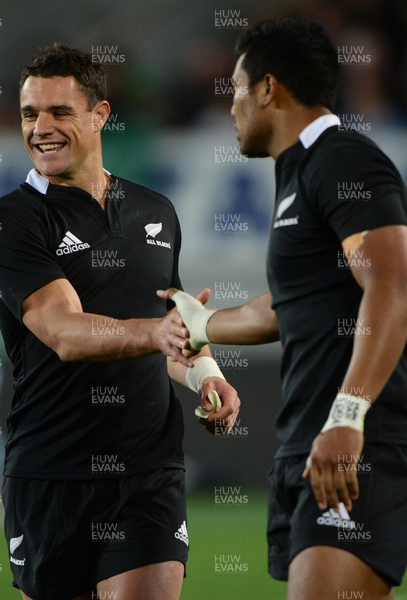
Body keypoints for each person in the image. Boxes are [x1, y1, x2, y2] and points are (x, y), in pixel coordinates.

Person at [0, 43, 240, 600]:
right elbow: (64, 332)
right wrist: (156, 334)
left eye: (59, 113)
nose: (41, 128)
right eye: (30, 114)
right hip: (51, 474)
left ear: (100, 116)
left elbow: (175, 318)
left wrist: (205, 375)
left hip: (148, 471)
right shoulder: (9, 222)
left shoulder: (155, 210)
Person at [159, 17, 407, 600]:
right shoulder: (298, 174)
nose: (231, 108)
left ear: (269, 88)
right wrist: (203, 325)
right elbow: (288, 305)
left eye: (238, 89)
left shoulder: (344, 160)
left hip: (352, 445)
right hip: (308, 447)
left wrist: (347, 418)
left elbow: (392, 285)